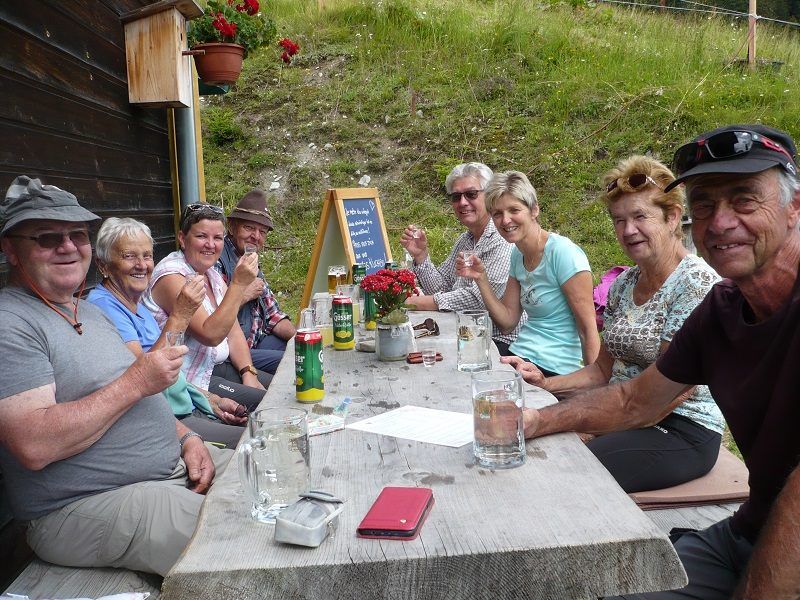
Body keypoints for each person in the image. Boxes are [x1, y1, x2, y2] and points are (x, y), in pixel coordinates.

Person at [501, 125, 800, 599]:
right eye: (706, 205)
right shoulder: (720, 306)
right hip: (747, 532)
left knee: (576, 472)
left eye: (744, 200)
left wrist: (579, 428)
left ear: (794, 207)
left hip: (693, 442)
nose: (720, 223)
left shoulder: (695, 283)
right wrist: (535, 417)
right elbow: (630, 396)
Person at [0, 176, 230, 576]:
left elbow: (141, 396)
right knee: (234, 538)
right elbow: (33, 444)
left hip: (170, 469)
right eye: (47, 237)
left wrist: (188, 438)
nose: (68, 246)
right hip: (83, 505)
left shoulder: (87, 310)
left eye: (77, 233)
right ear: (10, 251)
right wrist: (136, 381)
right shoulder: (11, 323)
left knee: (267, 469)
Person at [504, 157, 724, 492]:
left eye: (639, 217)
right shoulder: (623, 285)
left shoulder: (695, 286)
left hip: (680, 426)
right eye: (619, 220)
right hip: (624, 411)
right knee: (541, 454)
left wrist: (588, 425)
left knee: (569, 470)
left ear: (672, 217)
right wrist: (542, 385)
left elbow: (659, 400)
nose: (628, 230)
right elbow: (601, 371)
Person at [88, 217, 248, 448]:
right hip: (162, 421)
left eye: (147, 256)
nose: (142, 265)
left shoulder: (137, 305)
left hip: (185, 406)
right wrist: (181, 313)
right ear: (103, 265)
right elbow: (143, 379)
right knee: (252, 442)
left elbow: (175, 376)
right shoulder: (104, 308)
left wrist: (212, 400)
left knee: (255, 424)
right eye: (129, 256)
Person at [459, 171, 600, 375]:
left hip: (556, 366)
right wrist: (481, 278)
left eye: (514, 210)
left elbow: (588, 331)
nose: (505, 220)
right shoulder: (518, 254)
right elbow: (508, 322)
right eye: (497, 214)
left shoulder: (563, 253)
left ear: (534, 210)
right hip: (521, 355)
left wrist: (593, 388)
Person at [144, 203, 271, 412]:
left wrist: (248, 371)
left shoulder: (211, 273)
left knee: (281, 387)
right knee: (268, 405)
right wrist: (239, 285)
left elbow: (234, 332)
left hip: (219, 366)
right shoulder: (171, 275)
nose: (210, 245)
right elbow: (210, 334)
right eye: (202, 236)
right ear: (183, 239)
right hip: (194, 381)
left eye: (218, 238)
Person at [400, 162, 522, 355]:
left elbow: (477, 301)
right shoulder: (466, 239)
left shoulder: (503, 237)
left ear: (489, 196)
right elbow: (442, 287)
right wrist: (421, 256)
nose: (463, 202)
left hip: (501, 342)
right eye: (456, 197)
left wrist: (414, 302)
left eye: (471, 194)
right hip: (468, 333)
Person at [215, 189, 295, 375]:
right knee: (294, 360)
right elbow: (212, 316)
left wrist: (300, 337)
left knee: (301, 347)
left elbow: (273, 315)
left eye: (262, 231)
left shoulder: (249, 257)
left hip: (258, 340)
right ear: (232, 227)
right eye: (249, 228)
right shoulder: (217, 259)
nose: (256, 236)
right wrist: (244, 293)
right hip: (233, 351)